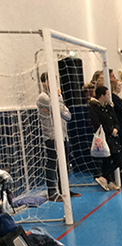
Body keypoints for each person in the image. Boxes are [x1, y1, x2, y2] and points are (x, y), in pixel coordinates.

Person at [37, 72, 80, 200]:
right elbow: (59, 110)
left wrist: (58, 102)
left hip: (63, 136)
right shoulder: (43, 98)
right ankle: (52, 192)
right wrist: (59, 97)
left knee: (64, 165)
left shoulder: (55, 98)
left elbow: (67, 115)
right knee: (52, 164)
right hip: (51, 136)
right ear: (44, 83)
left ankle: (64, 189)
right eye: (51, 81)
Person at [87, 85, 121, 191]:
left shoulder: (108, 107)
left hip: (113, 137)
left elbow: (115, 119)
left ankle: (106, 178)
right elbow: (98, 123)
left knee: (117, 159)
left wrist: (115, 128)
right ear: (102, 95)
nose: (109, 96)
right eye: (107, 94)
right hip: (103, 137)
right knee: (107, 159)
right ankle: (107, 179)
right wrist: (110, 130)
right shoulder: (94, 108)